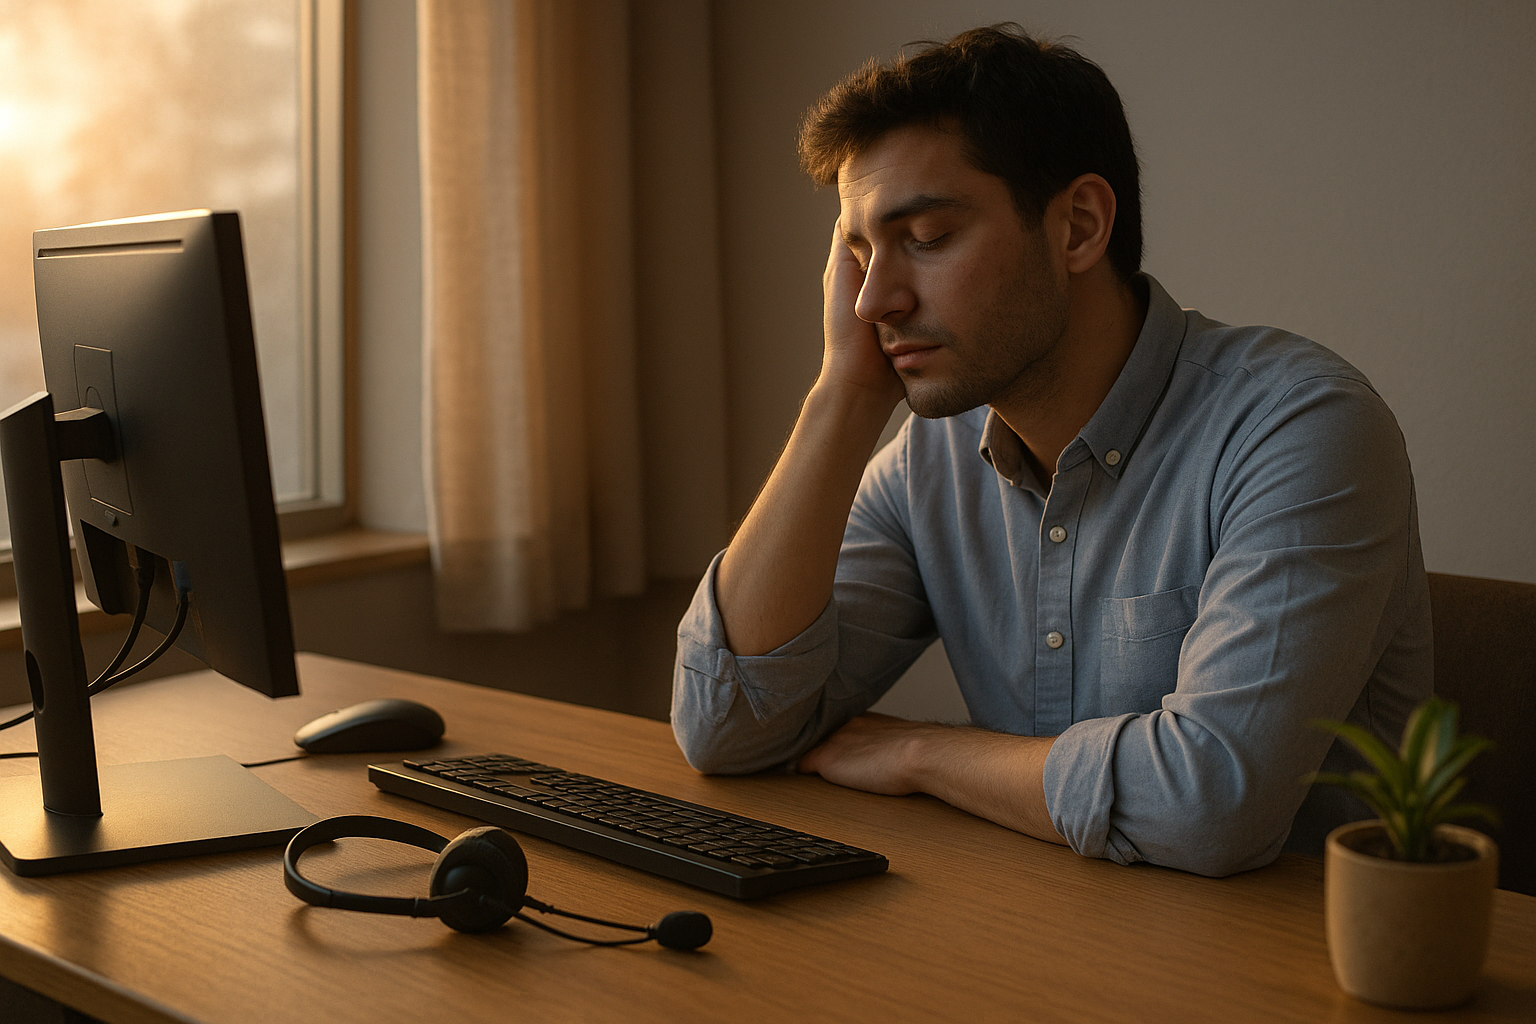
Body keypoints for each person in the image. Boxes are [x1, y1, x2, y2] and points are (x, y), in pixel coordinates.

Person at [670, 24, 1431, 876]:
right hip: (1053, 940)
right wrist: (841, 399)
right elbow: (727, 726)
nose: (873, 301)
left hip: (1296, 972)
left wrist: (927, 753)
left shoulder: (1302, 427)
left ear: (1077, 227)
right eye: (857, 255)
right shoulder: (933, 460)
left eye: (924, 238)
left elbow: (1214, 802)